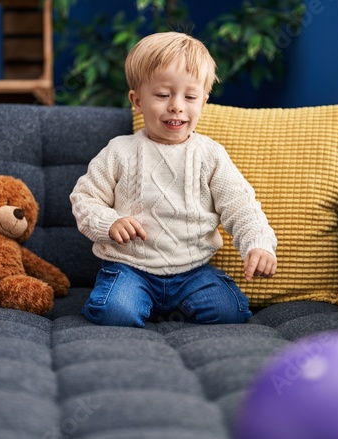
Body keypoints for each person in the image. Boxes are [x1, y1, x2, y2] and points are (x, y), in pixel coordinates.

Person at [70, 31, 277, 327]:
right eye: (163, 95)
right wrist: (110, 222)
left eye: (189, 96)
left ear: (203, 101)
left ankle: (165, 305)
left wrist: (258, 245)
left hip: (194, 271)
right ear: (137, 100)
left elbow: (241, 207)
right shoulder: (119, 151)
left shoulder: (211, 155)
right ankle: (139, 302)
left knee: (231, 311)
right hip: (130, 268)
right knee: (114, 312)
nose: (176, 106)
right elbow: (85, 199)